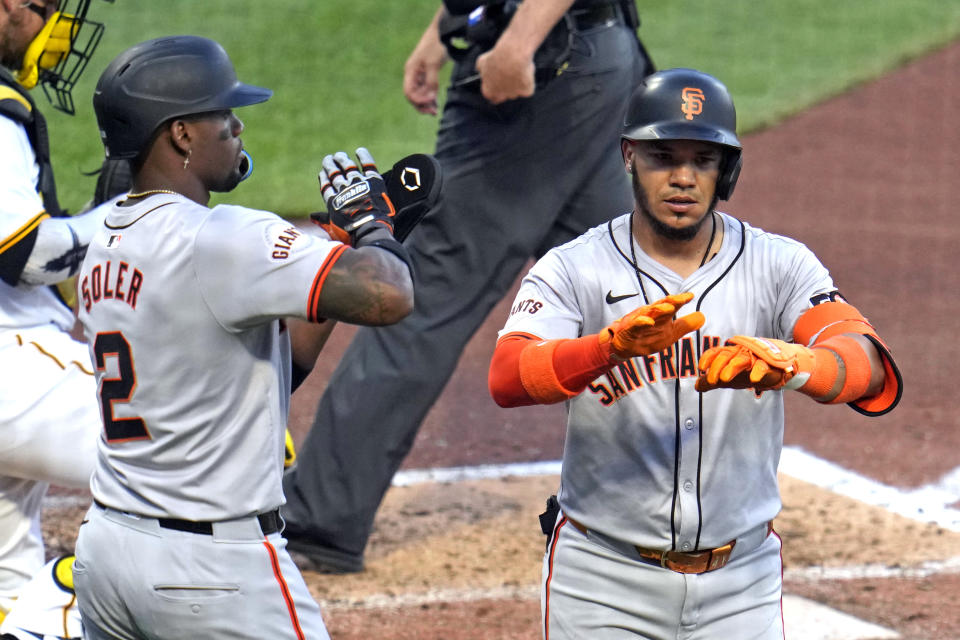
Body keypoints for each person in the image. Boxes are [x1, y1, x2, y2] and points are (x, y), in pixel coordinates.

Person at [487, 68, 902, 639]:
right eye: (663, 157)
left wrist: (796, 364)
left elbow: (866, 363)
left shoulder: (779, 264)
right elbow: (507, 377)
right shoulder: (573, 267)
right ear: (630, 155)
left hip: (743, 585)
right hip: (602, 583)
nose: (682, 178)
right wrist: (605, 349)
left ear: (725, 169)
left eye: (702, 160)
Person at [282, 0, 656, 573]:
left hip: (545, 68)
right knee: (616, 290)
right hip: (594, 62)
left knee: (419, 291)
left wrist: (520, 40)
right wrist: (441, 32)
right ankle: (692, 492)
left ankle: (318, 515)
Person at [71, 35, 415, 639]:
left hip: (108, 554)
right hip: (212, 574)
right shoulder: (220, 236)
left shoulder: (106, 242)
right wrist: (374, 228)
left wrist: (340, 246)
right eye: (223, 115)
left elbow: (274, 370)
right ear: (181, 134)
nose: (237, 127)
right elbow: (389, 295)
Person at [0, 0, 111, 623]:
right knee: (209, 451)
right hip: (11, 375)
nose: (56, 30)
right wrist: (116, 218)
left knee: (8, 591)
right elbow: (24, 252)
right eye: (43, 8)